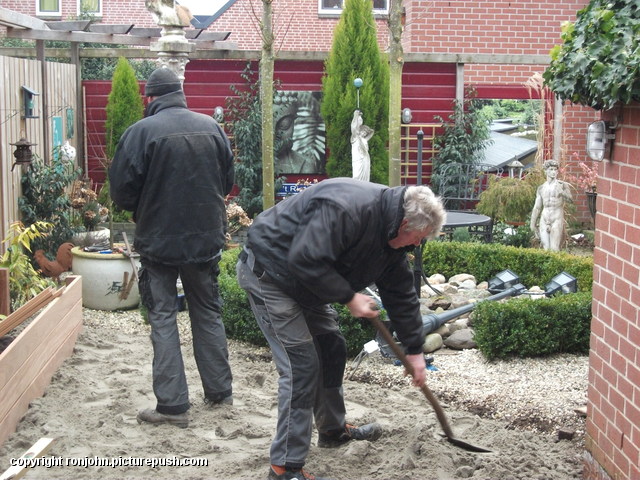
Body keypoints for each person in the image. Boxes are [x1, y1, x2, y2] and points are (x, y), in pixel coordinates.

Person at [236, 178, 446, 480]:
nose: (417, 245)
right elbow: (305, 257)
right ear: (403, 224)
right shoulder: (347, 208)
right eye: (417, 238)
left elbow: (401, 294)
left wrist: (413, 350)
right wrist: (348, 297)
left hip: (308, 284)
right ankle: (284, 467)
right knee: (301, 364)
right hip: (271, 275)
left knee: (331, 347)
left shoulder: (393, 240)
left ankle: (332, 431)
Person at [109, 67, 235, 428]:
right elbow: (227, 182)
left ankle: (173, 407)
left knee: (163, 317)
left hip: (159, 242)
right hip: (205, 240)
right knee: (207, 313)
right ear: (180, 92)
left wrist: (143, 207)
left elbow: (121, 192)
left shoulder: (140, 133)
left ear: (150, 98)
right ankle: (220, 392)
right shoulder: (212, 128)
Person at [530, 159, 573, 251]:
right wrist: (532, 223)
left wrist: (562, 193)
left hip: (556, 218)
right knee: (546, 248)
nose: (553, 172)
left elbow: (570, 200)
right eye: (551, 169)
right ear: (546, 171)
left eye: (555, 170)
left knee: (554, 248)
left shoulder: (562, 185)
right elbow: (537, 207)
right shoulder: (541, 188)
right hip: (544, 218)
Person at [350, 110, 374, 182]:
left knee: (366, 179)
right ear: (359, 131)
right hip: (358, 160)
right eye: (363, 131)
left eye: (365, 133)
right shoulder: (355, 138)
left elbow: (372, 132)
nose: (364, 133)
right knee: (356, 176)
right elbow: (353, 127)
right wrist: (356, 116)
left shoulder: (364, 140)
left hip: (365, 159)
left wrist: (367, 129)